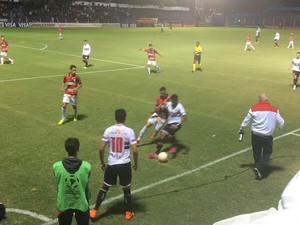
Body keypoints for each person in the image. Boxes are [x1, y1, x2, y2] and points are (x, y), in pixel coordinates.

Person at [90, 109, 138, 221]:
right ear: (125, 117)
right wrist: (135, 164)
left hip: (112, 164)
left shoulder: (109, 130)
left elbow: (101, 148)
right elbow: (135, 150)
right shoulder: (129, 131)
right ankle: (128, 212)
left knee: (105, 187)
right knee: (126, 189)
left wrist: (102, 162)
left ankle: (94, 210)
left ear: (115, 118)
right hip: (125, 164)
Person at [239, 93, 285, 180]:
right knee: (267, 152)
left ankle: (258, 168)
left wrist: (241, 129)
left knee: (256, 152)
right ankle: (259, 168)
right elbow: (282, 122)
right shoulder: (274, 109)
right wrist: (279, 127)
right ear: (267, 100)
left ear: (259, 100)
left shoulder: (253, 108)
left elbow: (246, 120)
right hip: (266, 136)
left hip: (255, 134)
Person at [53, 137, 91, 225]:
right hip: (81, 202)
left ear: (66, 149)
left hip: (64, 203)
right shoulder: (86, 166)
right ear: (78, 149)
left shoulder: (56, 166)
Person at [148, 94, 187, 159]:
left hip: (176, 124)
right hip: (169, 124)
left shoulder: (180, 106)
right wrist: (159, 108)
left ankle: (156, 153)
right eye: (173, 101)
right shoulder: (168, 104)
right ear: (171, 100)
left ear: (177, 100)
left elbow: (184, 116)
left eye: (175, 101)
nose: (174, 103)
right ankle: (174, 146)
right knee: (165, 134)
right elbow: (162, 105)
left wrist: (179, 124)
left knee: (163, 135)